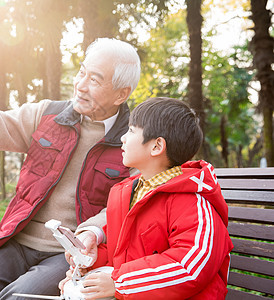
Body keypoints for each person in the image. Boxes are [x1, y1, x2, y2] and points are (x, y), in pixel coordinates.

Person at [0, 36, 141, 299]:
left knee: (19, 298)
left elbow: (132, 200)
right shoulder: (47, 114)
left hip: (70, 253)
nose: (80, 85)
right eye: (81, 72)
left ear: (122, 93)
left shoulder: (134, 139)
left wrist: (91, 232)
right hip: (17, 240)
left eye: (95, 80)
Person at [59, 98, 233, 299]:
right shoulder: (127, 193)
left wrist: (118, 283)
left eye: (131, 131)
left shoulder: (194, 202)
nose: (123, 138)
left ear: (157, 146)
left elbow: (190, 267)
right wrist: (91, 266)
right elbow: (122, 253)